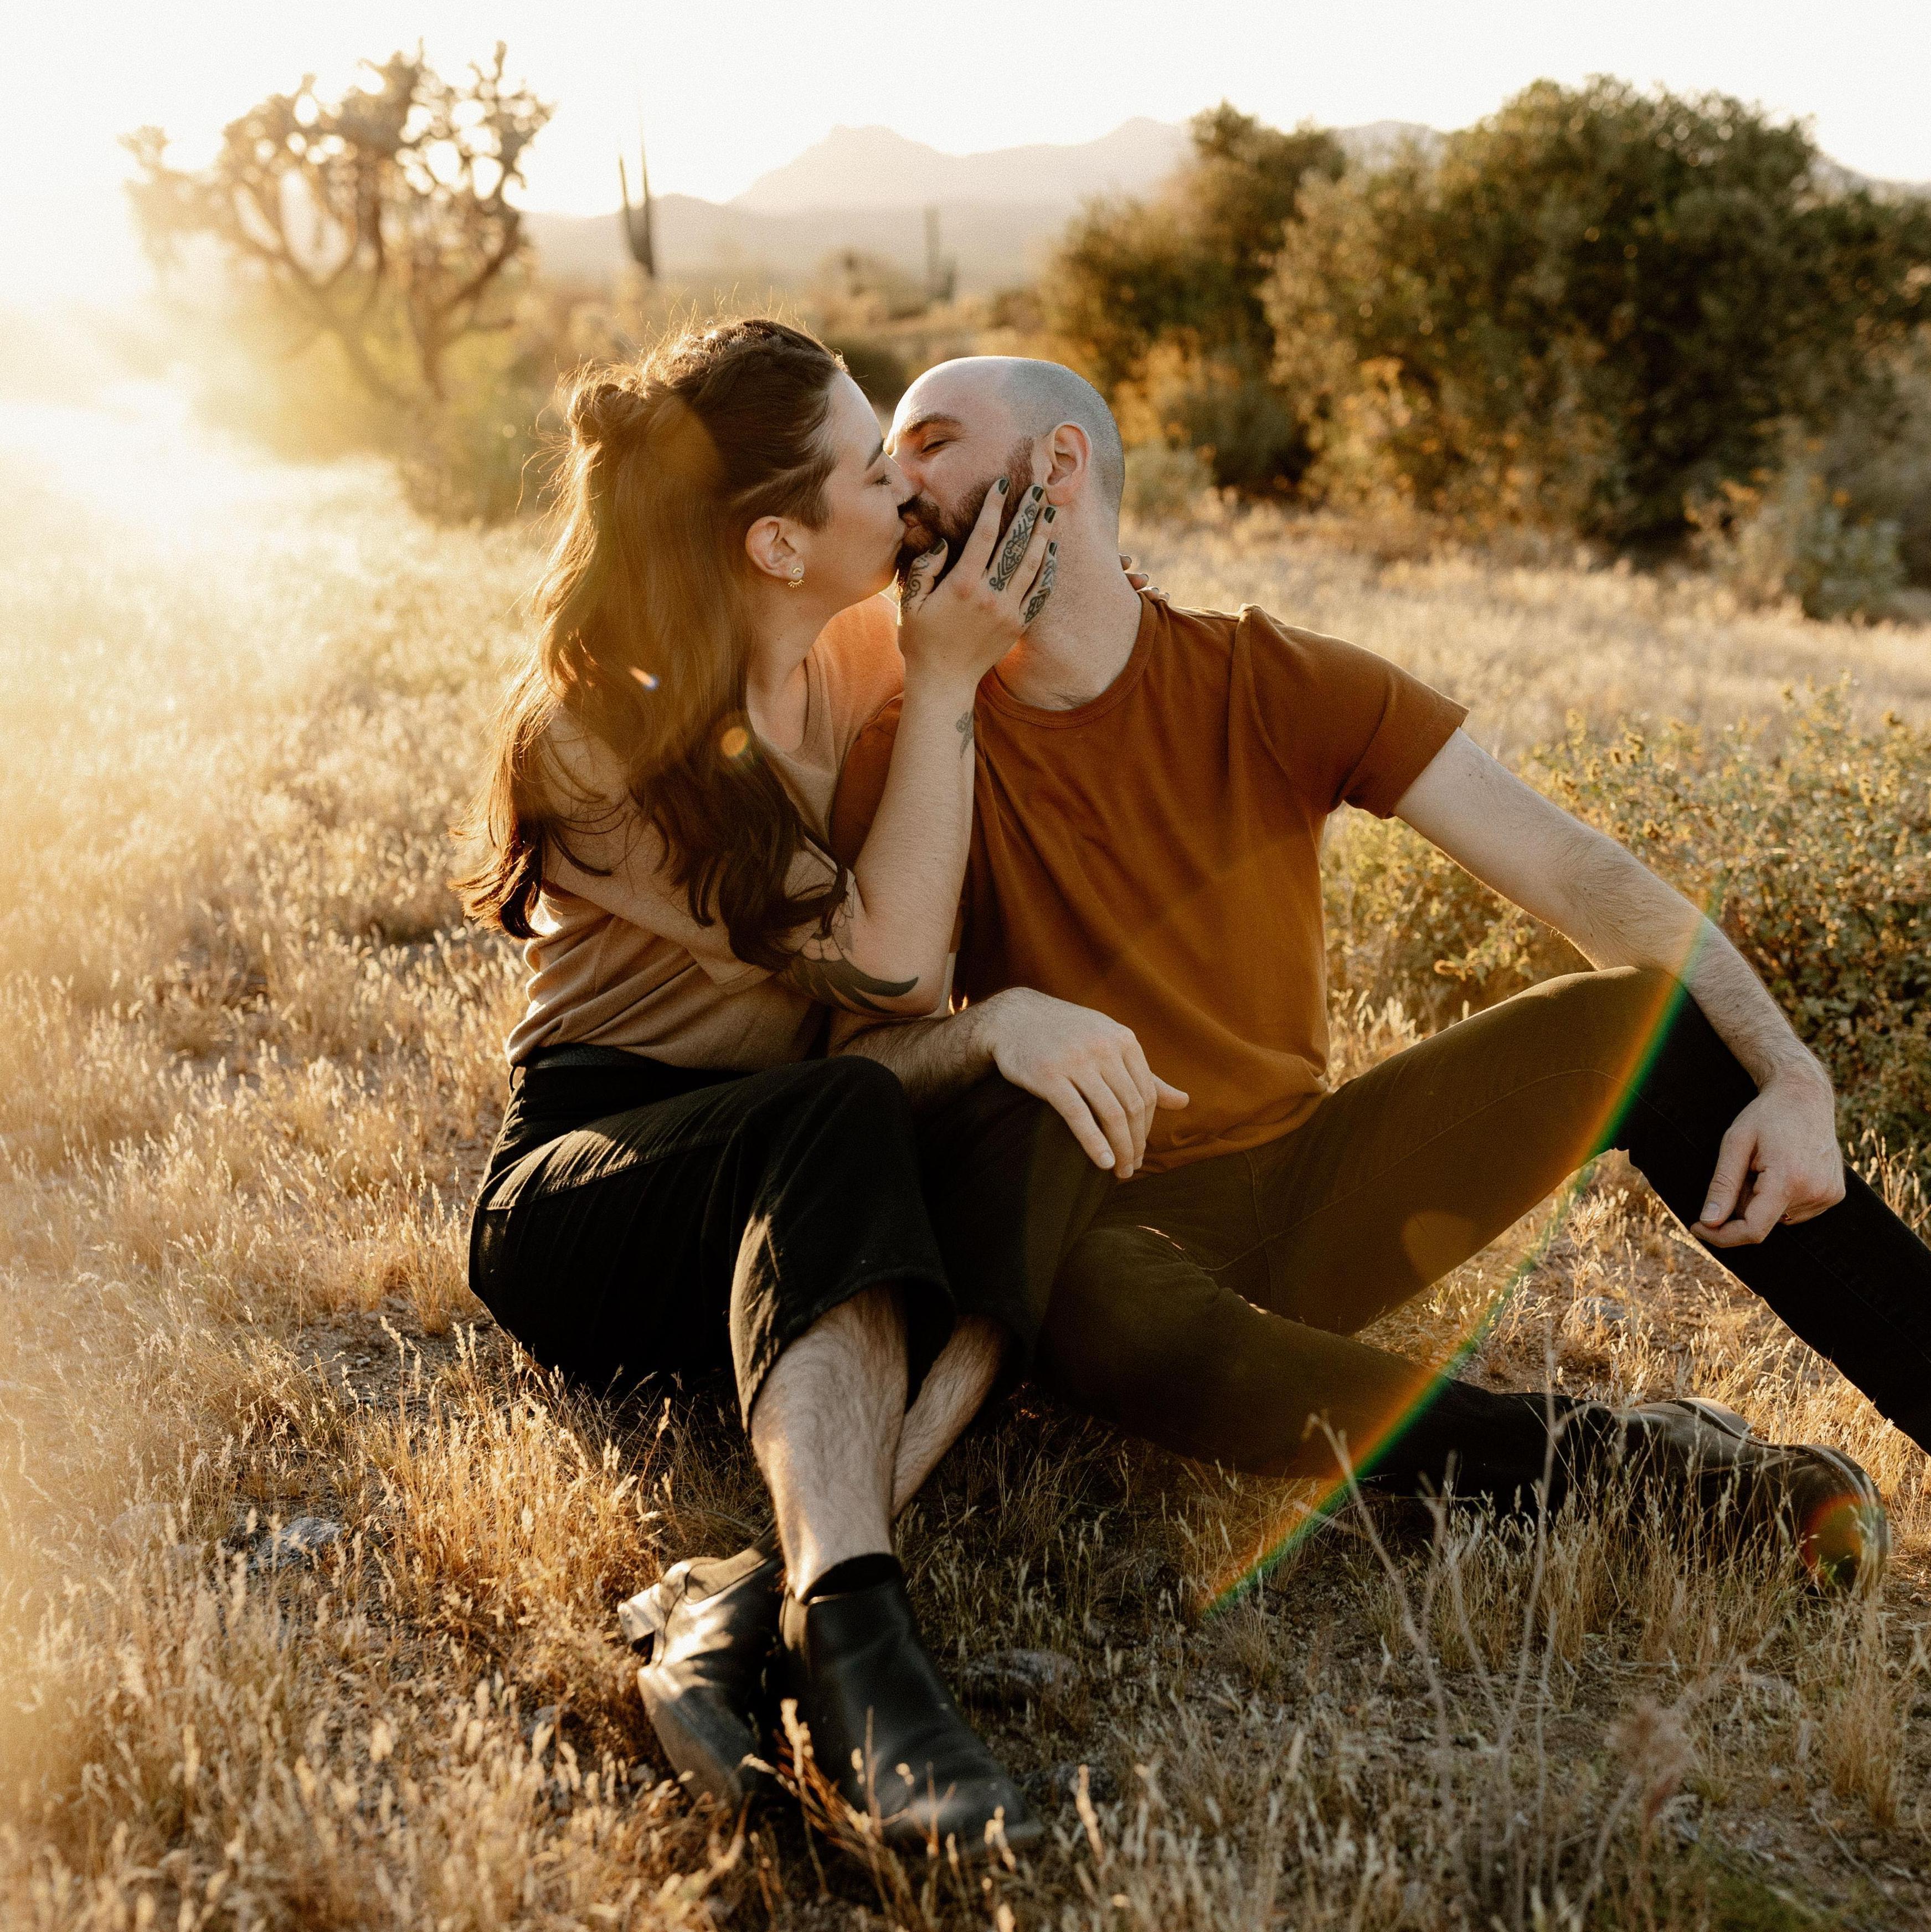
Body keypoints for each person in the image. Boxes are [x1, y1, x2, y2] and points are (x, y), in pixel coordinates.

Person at [821, 355, 1931, 1563]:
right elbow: (872, 1057)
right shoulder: (917, 745)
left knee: (1635, 1024)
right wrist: (995, 1027)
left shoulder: (1269, 680)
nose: (899, 483)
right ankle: (1654, 1469)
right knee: (1097, 1302)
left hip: (1312, 1187)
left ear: (1060, 464)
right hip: (1103, 1224)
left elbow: (1576, 875)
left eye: (932, 442)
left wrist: (1791, 1072)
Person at [456, 320, 1065, 1854]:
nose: (902, 491)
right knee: (855, 1106)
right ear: (779, 541)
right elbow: (892, 971)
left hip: (803, 1167)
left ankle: (749, 1589)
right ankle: (859, 1645)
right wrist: (944, 689)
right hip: (597, 1191)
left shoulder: (845, 653)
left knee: (1032, 1130)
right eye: (872, 470)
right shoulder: (596, 737)